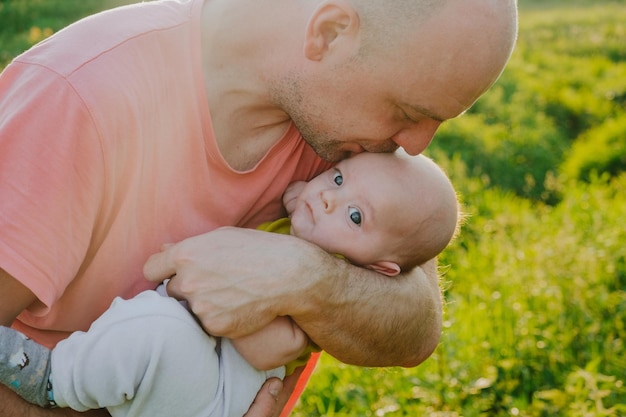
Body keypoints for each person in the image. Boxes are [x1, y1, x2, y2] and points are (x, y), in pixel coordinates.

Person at [0, 0, 518, 416]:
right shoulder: (78, 101)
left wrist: (302, 278)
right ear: (330, 33)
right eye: (409, 112)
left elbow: (417, 325)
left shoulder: (346, 134)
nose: (417, 146)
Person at [0, 151, 460, 417]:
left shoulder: (327, 283)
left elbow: (267, 352)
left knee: (162, 335)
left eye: (355, 215)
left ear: (379, 268)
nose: (327, 196)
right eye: (338, 178)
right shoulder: (306, 225)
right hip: (199, 370)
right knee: (148, 326)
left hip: (217, 396)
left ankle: (54, 380)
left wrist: (208, 289)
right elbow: (305, 197)